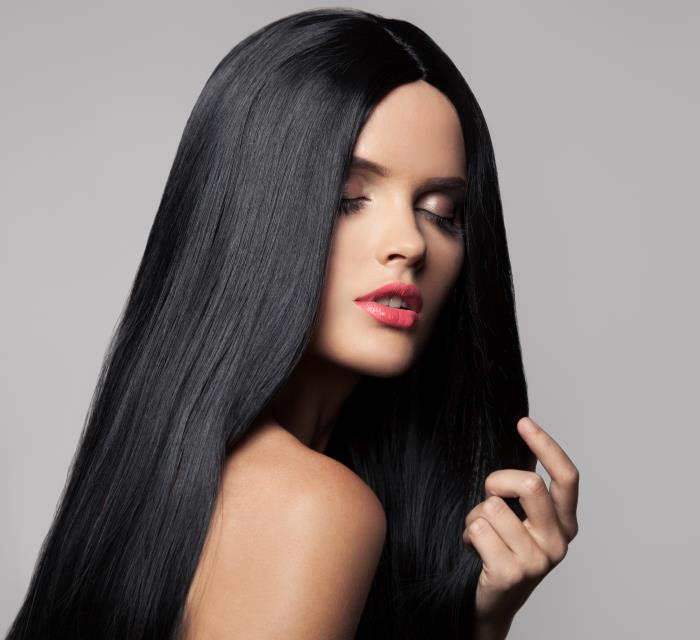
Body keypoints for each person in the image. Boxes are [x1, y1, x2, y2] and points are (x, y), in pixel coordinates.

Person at [7, 8, 579, 640]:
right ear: (252, 213)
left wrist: (482, 617)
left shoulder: (164, 479)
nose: (410, 243)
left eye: (441, 211)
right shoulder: (312, 508)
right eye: (349, 198)